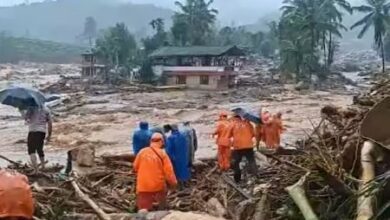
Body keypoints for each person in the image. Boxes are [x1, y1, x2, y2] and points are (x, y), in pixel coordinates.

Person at [133, 133, 177, 211]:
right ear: (162, 142)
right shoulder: (163, 154)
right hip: (158, 187)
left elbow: (135, 167)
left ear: (150, 141)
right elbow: (169, 173)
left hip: (143, 187)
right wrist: (173, 184)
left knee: (143, 211)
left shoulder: (142, 152)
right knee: (161, 210)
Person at [23, 105, 52, 173]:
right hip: (42, 132)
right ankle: (43, 166)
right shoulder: (46, 109)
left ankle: (36, 170)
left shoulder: (31, 108)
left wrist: (21, 110)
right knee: (40, 149)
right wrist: (49, 135)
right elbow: (50, 123)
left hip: (32, 131)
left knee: (31, 150)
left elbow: (26, 119)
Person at [229, 115, 257, 183]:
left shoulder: (232, 124)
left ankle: (237, 179)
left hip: (238, 147)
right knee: (251, 161)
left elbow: (229, 135)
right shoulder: (248, 123)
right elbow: (253, 134)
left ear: (234, 118)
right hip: (249, 146)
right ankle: (255, 176)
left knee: (236, 162)